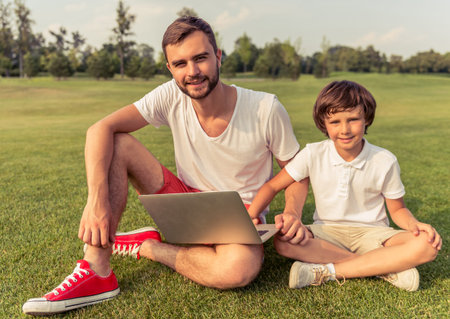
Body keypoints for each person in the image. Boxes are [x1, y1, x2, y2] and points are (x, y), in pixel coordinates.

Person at [22, 16, 306, 315]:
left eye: (201, 58)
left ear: (218, 56)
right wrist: (96, 200)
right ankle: (97, 270)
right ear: (170, 69)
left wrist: (291, 213)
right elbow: (99, 129)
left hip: (240, 219)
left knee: (237, 270)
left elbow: (297, 172)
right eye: (180, 63)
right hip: (184, 205)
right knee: (117, 142)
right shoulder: (170, 94)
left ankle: (148, 247)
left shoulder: (265, 107)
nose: (193, 71)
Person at [248, 80, 442, 291]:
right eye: (335, 122)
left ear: (366, 118)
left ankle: (327, 272)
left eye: (353, 119)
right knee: (284, 241)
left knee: (426, 245)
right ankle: (382, 267)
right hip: (326, 233)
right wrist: (252, 216)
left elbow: (398, 209)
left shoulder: (385, 160)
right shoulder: (313, 153)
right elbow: (272, 187)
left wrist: (414, 225)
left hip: (373, 235)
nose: (345, 129)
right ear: (323, 122)